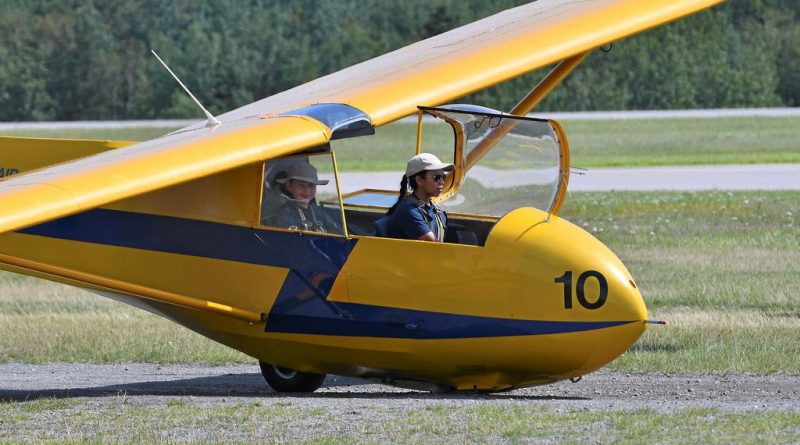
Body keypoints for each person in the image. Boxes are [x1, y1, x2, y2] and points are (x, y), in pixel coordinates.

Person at [383, 153, 454, 242]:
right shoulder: (408, 210)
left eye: (443, 177)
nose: (442, 182)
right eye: (437, 177)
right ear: (419, 180)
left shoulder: (438, 212)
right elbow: (433, 243)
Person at [272, 162, 341, 234]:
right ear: (289, 186)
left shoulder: (316, 209)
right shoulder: (286, 214)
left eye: (311, 185)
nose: (307, 191)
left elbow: (336, 229)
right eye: (301, 185)